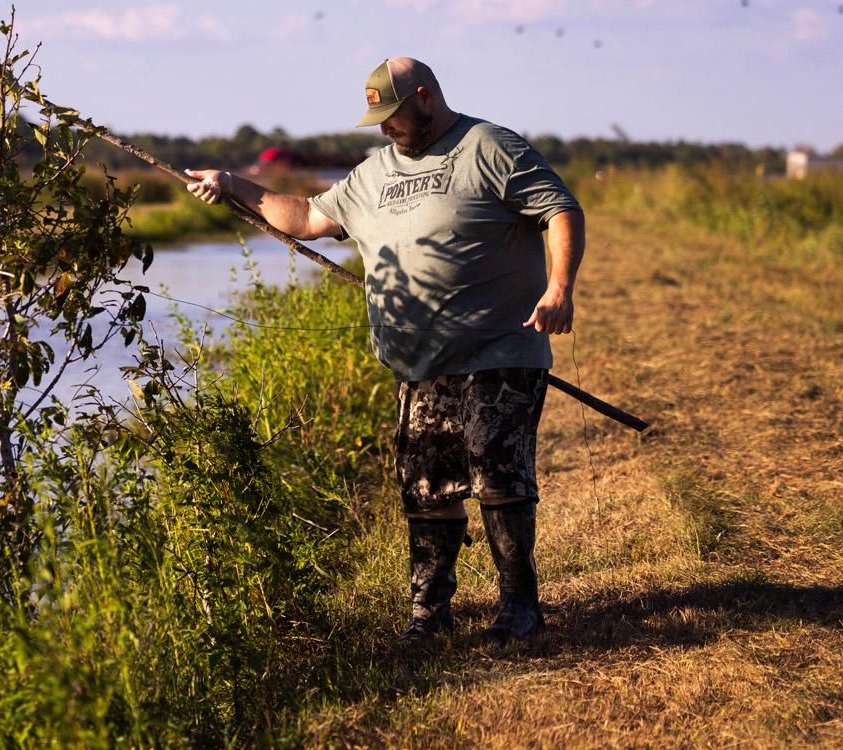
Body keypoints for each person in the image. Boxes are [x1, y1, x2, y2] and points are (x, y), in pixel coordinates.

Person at [186, 57, 583, 643]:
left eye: (391, 115)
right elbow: (303, 217)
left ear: (424, 97)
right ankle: (429, 615)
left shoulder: (490, 146)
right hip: (418, 364)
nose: (383, 129)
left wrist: (558, 289)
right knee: (426, 486)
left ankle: (519, 608)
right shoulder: (373, 174)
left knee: (498, 476)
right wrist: (233, 185)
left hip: (501, 348)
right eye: (376, 119)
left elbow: (560, 209)